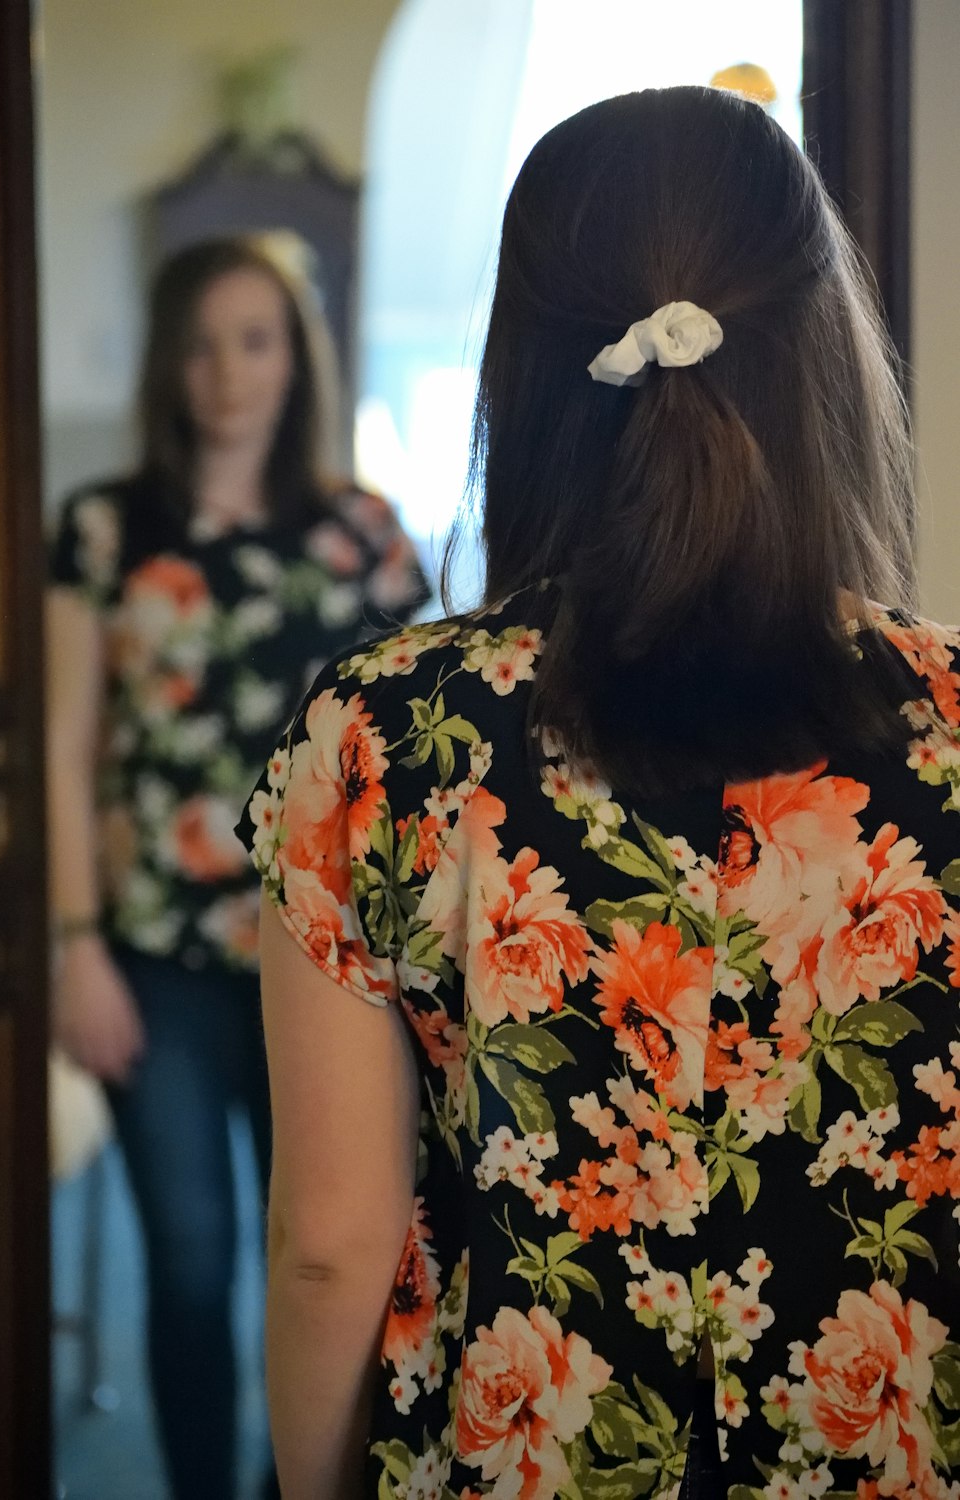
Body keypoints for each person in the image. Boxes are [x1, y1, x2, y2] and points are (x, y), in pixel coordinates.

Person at [237, 88, 960, 1500]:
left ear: (523, 368)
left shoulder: (382, 735)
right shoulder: (949, 723)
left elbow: (330, 1241)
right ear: (821, 357)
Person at [46, 236, 430, 1500]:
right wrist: (75, 945)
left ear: (296, 355)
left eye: (255, 339)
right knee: (194, 1261)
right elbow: (63, 746)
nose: (227, 372)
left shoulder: (364, 532)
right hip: (156, 957)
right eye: (202, 343)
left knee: (332, 1252)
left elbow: (418, 759)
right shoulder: (100, 530)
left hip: (332, 970)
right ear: (169, 361)